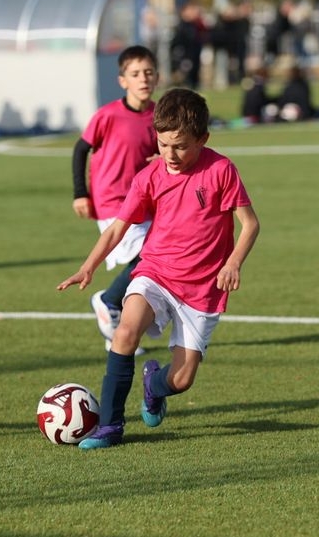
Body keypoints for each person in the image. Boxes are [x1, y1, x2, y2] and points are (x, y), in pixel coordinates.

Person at [57, 87, 261, 449]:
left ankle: (154, 386)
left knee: (182, 381)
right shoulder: (150, 176)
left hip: (202, 290)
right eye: (163, 144)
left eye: (180, 146)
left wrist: (233, 263)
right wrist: (88, 266)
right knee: (124, 332)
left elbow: (250, 224)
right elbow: (119, 227)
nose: (170, 154)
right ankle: (110, 425)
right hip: (156, 272)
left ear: (203, 139)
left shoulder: (221, 170)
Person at [71, 45, 160, 351]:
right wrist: (80, 193)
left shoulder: (158, 115)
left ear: (157, 77)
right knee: (146, 258)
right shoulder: (107, 115)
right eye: (135, 74)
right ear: (123, 80)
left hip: (145, 202)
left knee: (161, 256)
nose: (142, 79)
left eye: (148, 72)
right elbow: (81, 149)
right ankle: (108, 301)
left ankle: (122, 332)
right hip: (111, 201)